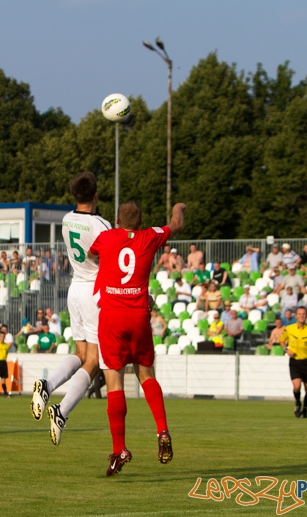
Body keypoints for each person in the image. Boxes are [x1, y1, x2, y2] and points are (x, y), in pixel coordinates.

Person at [89, 200, 185, 476]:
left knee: (114, 382)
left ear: (118, 220)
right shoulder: (150, 236)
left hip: (112, 318)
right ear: (140, 222)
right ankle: (162, 430)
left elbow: (91, 253)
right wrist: (179, 206)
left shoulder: (107, 237)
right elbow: (176, 224)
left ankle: (120, 449)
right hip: (139, 316)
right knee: (146, 375)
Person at [30, 172, 112, 446]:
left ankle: (47, 385)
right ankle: (62, 411)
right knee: (94, 361)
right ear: (96, 195)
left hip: (74, 289)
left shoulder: (66, 219)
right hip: (93, 291)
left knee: (80, 353)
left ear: (75, 195)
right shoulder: (101, 224)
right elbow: (107, 257)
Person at [280, 306, 307, 419]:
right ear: (296, 316)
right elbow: (281, 340)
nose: (302, 316)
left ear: (306, 316)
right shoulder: (289, 329)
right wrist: (286, 350)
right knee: (297, 386)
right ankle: (297, 403)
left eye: (304, 314)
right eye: (299, 314)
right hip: (295, 362)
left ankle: (305, 409)